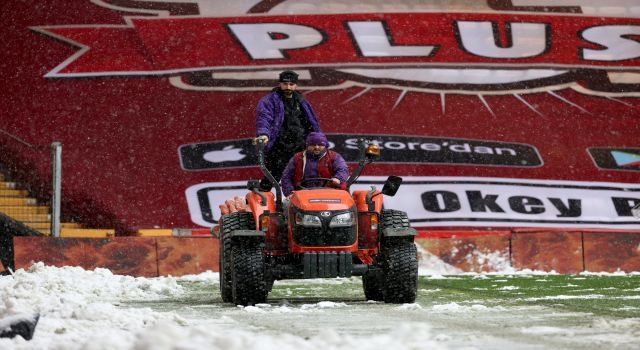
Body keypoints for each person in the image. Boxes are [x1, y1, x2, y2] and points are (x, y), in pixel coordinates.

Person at [254, 70, 321, 191]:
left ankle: (302, 202)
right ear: (280, 84)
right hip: (279, 145)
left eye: (291, 84)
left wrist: (318, 139)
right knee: (272, 175)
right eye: (285, 84)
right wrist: (263, 134)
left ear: (296, 85)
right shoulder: (270, 100)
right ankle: (260, 200)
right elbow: (264, 118)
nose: (288, 87)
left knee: (303, 177)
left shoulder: (301, 101)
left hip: (299, 145)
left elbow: (311, 122)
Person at [280, 132, 349, 197]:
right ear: (307, 145)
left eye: (320, 145)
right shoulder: (297, 158)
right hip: (302, 194)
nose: (316, 147)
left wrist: (338, 178)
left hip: (331, 193)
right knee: (287, 205)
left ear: (325, 145)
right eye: (313, 144)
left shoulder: (334, 156)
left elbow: (343, 169)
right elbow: (286, 176)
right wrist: (289, 192)